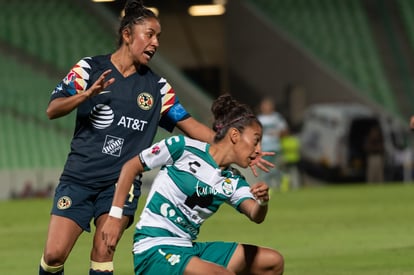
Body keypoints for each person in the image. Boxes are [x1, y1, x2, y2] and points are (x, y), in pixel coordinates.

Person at [38, 1, 273, 274]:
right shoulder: (89, 68)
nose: (155, 42)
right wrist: (85, 95)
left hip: (119, 185)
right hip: (79, 177)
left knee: (103, 251)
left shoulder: (158, 88)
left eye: (158, 36)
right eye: (149, 34)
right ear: (127, 35)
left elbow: (190, 125)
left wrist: (238, 148)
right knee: (54, 255)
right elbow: (52, 109)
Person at [102, 94, 284, 275]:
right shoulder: (182, 148)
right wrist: (114, 217)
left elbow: (255, 215)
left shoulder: (233, 180)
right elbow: (130, 167)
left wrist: (263, 201)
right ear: (235, 135)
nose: (259, 149)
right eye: (256, 140)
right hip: (154, 246)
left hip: (187, 247)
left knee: (272, 262)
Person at [257, 97, 289, 190]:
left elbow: (285, 131)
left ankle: (279, 182)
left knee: (273, 167)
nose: (266, 107)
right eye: (264, 105)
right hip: (263, 148)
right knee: (265, 168)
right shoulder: (259, 119)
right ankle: (269, 187)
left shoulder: (277, 117)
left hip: (275, 147)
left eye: (268, 105)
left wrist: (278, 133)